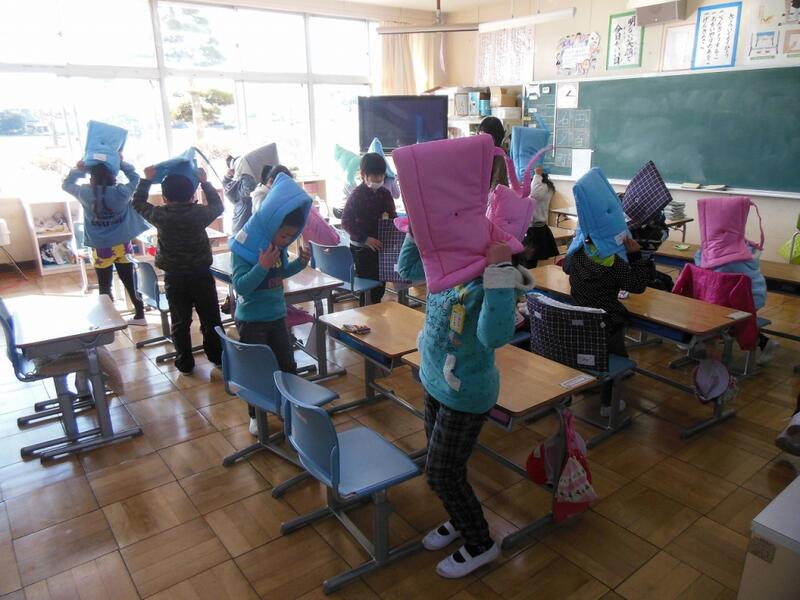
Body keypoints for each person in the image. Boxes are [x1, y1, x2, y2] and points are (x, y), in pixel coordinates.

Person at [397, 233, 533, 578]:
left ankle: (480, 543)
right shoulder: (448, 267)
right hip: (434, 380)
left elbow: (495, 336)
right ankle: (459, 519)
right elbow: (407, 269)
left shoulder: (490, 281)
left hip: (465, 394)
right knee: (445, 468)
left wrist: (499, 271)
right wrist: (416, 231)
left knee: (441, 474)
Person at [133, 165, 224, 375]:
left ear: (165, 198)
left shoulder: (160, 214)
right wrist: (205, 182)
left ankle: (185, 363)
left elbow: (137, 203)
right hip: (201, 275)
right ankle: (217, 356)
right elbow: (218, 206)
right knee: (211, 318)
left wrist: (146, 180)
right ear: (192, 196)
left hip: (174, 278)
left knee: (180, 322)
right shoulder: (199, 213)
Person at [232, 206, 311, 435]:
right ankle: (255, 415)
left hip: (277, 317)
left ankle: (289, 409)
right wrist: (262, 265)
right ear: (269, 228)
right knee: (257, 371)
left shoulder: (279, 247)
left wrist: (300, 264)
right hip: (252, 321)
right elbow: (241, 286)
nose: (287, 241)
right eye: (284, 235)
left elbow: (280, 273)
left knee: (287, 366)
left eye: (291, 237)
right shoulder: (245, 249)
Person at [563, 236, 650, 415]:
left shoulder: (577, 254)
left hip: (580, 320)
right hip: (607, 323)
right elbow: (638, 285)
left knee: (591, 350)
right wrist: (635, 256)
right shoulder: (613, 263)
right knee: (613, 353)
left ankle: (592, 380)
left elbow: (565, 267)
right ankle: (608, 404)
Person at [62, 156, 148, 325]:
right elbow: (136, 178)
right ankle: (140, 315)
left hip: (100, 247)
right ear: (113, 176)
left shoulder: (85, 193)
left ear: (91, 178)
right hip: (123, 244)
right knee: (130, 281)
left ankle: (109, 320)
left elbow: (66, 184)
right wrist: (122, 163)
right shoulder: (122, 192)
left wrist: (78, 170)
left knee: (104, 285)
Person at [341, 152, 396, 304]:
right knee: (367, 290)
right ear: (364, 175)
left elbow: (393, 217)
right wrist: (365, 239)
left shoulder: (385, 194)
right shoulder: (357, 195)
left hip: (381, 248)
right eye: (374, 175)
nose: (378, 179)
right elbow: (346, 221)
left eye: (381, 175)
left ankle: (374, 312)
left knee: (379, 287)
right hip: (362, 249)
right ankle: (366, 313)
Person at [522, 165, 559, 268]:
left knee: (529, 262)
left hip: (535, 228)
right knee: (528, 261)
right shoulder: (543, 185)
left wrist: (537, 175)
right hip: (533, 228)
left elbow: (534, 194)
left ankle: (530, 277)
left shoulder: (543, 186)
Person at [478, 116, 509, 191]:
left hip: (495, 195)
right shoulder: (481, 153)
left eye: (485, 139)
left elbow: (497, 186)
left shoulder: (499, 157)